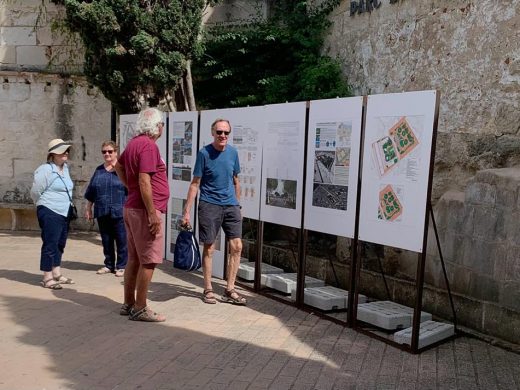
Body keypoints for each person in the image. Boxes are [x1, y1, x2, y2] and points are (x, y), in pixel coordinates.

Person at [182, 118, 246, 305]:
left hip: (231, 205)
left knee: (237, 246)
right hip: (209, 204)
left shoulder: (233, 153)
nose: (223, 136)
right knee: (210, 247)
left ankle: (230, 289)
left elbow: (236, 180)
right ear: (213, 133)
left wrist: (238, 204)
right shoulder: (204, 153)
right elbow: (195, 183)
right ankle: (208, 288)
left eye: (226, 132)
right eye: (219, 132)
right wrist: (187, 211)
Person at [115, 107, 169, 322]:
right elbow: (145, 181)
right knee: (149, 260)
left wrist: (129, 186)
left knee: (135, 259)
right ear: (158, 126)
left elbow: (117, 166)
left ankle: (129, 303)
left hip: (132, 207)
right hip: (144, 210)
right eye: (162, 124)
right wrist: (152, 214)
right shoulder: (148, 146)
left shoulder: (134, 143)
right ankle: (140, 307)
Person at [30, 138, 76, 289]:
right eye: (62, 151)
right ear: (53, 154)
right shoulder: (45, 169)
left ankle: (56, 272)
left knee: (60, 243)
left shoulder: (66, 168)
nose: (66, 153)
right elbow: (36, 191)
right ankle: (47, 277)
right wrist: (42, 205)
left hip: (64, 210)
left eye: (67, 150)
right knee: (50, 243)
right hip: (50, 210)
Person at [84, 141, 127, 277]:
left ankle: (122, 265)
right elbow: (91, 190)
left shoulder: (123, 169)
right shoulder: (99, 170)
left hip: (119, 210)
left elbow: (131, 189)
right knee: (106, 240)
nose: (107, 154)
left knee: (121, 239)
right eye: (104, 152)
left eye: (110, 151)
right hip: (102, 211)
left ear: (116, 152)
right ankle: (109, 264)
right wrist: (88, 208)